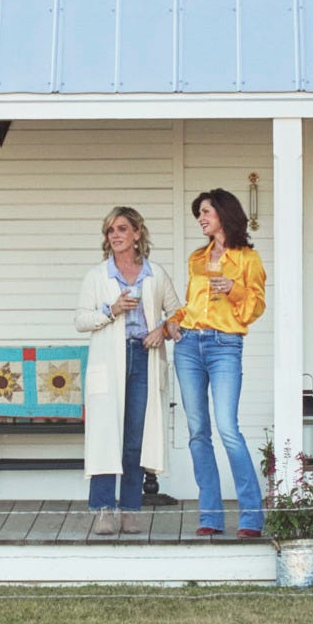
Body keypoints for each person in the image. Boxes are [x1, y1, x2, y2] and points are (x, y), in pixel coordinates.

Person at [168, 186, 266, 539]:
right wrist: (173, 321)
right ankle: (209, 515)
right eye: (199, 214)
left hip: (226, 345)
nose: (201, 219)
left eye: (206, 212)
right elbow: (191, 306)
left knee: (228, 428)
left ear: (224, 214)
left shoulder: (248, 260)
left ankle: (251, 518)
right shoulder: (197, 258)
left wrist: (234, 290)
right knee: (198, 432)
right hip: (189, 344)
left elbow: (255, 307)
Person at [75, 205, 179, 536]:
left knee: (135, 437)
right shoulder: (97, 276)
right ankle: (104, 509)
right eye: (110, 231)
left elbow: (179, 315)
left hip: (144, 358)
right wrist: (111, 309)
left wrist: (161, 331)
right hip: (110, 359)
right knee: (107, 435)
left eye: (122, 229)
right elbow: (81, 320)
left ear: (137, 233)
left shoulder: (155, 274)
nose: (116, 235)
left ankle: (131, 508)